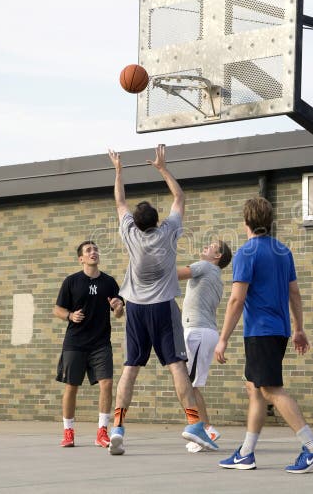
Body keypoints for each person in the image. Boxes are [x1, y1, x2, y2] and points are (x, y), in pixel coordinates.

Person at [107, 144, 218, 456]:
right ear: (157, 220)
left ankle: (117, 428)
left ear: (137, 222)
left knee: (130, 368)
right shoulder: (168, 231)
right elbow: (180, 198)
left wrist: (118, 171)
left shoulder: (130, 233)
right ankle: (194, 423)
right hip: (163, 308)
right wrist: (162, 168)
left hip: (136, 310)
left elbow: (119, 202)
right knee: (177, 367)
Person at [214, 196, 313, 474]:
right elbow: (295, 293)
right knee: (255, 389)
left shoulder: (246, 252)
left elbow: (236, 301)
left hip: (261, 332)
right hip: (278, 331)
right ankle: (245, 453)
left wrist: (223, 338)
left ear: (246, 223)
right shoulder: (283, 251)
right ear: (269, 221)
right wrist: (299, 329)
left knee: (271, 390)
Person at [53, 240, 125, 448]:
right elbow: (57, 309)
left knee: (107, 384)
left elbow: (119, 314)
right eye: (88, 250)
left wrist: (118, 306)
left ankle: (102, 432)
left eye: (95, 249)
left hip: (101, 343)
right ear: (81, 258)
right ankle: (68, 432)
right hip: (75, 343)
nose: (93, 252)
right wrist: (69, 315)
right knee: (71, 387)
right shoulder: (71, 281)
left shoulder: (109, 282)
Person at [178, 240, 233, 453]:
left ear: (217, 256)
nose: (206, 247)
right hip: (201, 332)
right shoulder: (216, 277)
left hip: (198, 332)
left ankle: (203, 429)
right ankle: (206, 428)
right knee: (191, 385)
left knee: (188, 385)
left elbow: (176, 274)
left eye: (211, 246)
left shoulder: (205, 266)